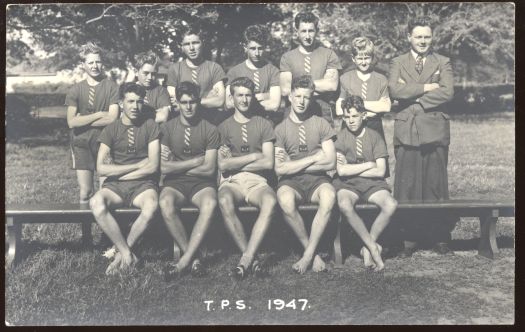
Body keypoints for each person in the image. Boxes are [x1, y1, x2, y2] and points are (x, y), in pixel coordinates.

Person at [388, 15, 455, 257]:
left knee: (435, 184)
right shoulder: (397, 61)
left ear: (432, 37)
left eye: (427, 36)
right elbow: (394, 89)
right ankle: (408, 238)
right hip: (406, 129)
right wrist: (427, 88)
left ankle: (439, 236)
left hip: (435, 129)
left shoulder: (443, 61)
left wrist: (412, 95)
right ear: (409, 37)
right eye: (418, 36)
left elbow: (448, 93)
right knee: (407, 185)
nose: (423, 41)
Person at [89, 83, 160, 275]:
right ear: (121, 103)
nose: (135, 106)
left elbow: (153, 166)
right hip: (116, 186)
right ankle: (128, 254)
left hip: (143, 184)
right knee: (96, 202)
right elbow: (101, 168)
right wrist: (136, 165)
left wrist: (120, 172)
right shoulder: (111, 129)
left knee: (152, 205)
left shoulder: (150, 125)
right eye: (130, 102)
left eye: (139, 102)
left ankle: (121, 254)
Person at [274, 75, 336, 274]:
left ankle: (308, 254)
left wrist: (294, 164)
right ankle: (314, 254)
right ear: (290, 97)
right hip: (292, 182)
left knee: (329, 196)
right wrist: (312, 159)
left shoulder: (321, 123)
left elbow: (331, 162)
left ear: (311, 99)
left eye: (306, 97)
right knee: (284, 200)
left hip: (318, 180)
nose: (301, 102)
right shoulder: (280, 129)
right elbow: (280, 169)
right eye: (297, 96)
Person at [217, 77, 277, 280]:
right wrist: (253, 156)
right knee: (224, 199)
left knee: (270, 201)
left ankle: (246, 259)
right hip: (232, 180)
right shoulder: (223, 126)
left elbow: (268, 163)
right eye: (239, 95)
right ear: (232, 98)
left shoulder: (263, 124)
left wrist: (236, 161)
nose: (244, 100)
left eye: (248, 95)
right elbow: (223, 166)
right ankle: (252, 257)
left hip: (257, 180)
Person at [159, 82, 220, 280]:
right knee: (165, 202)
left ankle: (184, 261)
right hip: (175, 183)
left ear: (199, 101)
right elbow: (163, 168)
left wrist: (178, 164)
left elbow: (210, 168)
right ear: (177, 103)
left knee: (210, 203)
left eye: (192, 102)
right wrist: (195, 161)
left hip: (202, 183)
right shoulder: (167, 128)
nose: (188, 107)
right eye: (183, 102)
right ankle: (193, 259)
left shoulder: (210, 129)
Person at [334, 96, 397, 271]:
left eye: (354, 116)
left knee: (391, 204)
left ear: (364, 115)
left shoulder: (375, 137)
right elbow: (341, 171)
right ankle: (373, 250)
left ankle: (368, 246)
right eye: (346, 117)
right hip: (348, 184)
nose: (350, 121)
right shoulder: (340, 137)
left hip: (373, 183)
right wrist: (369, 164)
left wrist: (355, 167)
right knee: (344, 204)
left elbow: (380, 171)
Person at [66, 41, 119, 204]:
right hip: (81, 143)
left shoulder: (111, 87)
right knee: (85, 192)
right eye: (90, 62)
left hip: (105, 143)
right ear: (83, 65)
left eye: (98, 61)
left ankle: (105, 229)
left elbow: (112, 118)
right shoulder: (75, 89)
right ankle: (86, 230)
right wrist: (98, 114)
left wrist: (83, 119)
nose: (95, 66)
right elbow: (71, 122)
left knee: (106, 192)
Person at [280, 11, 342, 126]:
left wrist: (298, 86)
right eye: (303, 31)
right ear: (297, 31)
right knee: (291, 143)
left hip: (322, 110)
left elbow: (332, 85)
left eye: (311, 31)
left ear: (317, 31)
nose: (307, 36)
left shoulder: (329, 54)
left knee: (324, 143)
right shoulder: (287, 57)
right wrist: (317, 86)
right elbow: (285, 89)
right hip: (293, 110)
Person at [166, 25, 226, 125]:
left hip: (209, 122)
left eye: (195, 43)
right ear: (182, 47)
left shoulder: (214, 68)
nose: (191, 48)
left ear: (202, 44)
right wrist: (206, 99)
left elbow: (220, 101)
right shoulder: (175, 69)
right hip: (182, 124)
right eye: (187, 44)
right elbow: (175, 105)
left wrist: (186, 102)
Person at [335, 37, 391, 137]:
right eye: (360, 58)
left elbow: (386, 106)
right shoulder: (345, 78)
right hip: (350, 127)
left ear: (372, 57)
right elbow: (339, 109)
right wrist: (372, 109)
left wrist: (355, 105)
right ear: (353, 58)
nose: (364, 62)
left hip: (374, 127)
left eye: (367, 58)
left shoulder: (381, 79)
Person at [225, 24, 281, 124]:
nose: (256, 53)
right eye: (252, 48)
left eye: (260, 48)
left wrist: (243, 102)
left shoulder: (273, 71)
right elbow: (229, 103)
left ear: (265, 47)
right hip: (240, 123)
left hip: (265, 123)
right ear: (245, 47)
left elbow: (275, 105)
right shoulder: (234, 72)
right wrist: (263, 97)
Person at [133, 51, 171, 123]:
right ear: (136, 72)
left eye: (153, 74)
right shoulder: (128, 90)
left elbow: (163, 116)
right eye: (146, 73)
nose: (150, 77)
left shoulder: (161, 91)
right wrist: (154, 112)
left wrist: (136, 116)